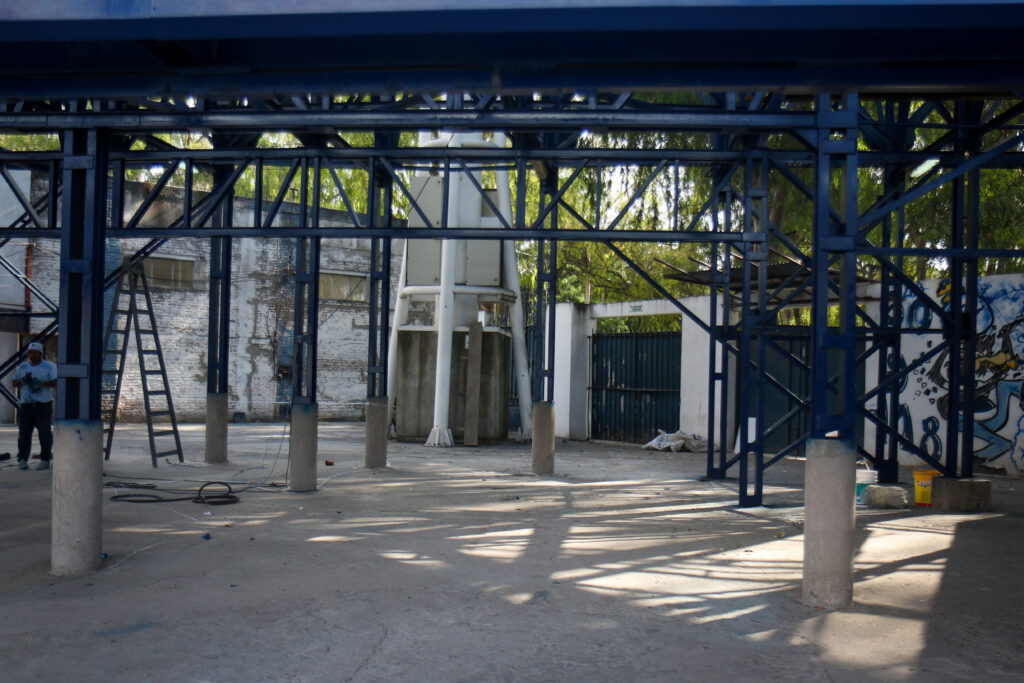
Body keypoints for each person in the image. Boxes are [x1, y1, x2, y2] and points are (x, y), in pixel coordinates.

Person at [12, 341, 57, 470]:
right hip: (26, 405)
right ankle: (22, 459)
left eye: (35, 353)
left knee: (44, 433)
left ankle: (45, 459)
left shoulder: (49, 367)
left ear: (40, 354)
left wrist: (42, 383)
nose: (32, 355)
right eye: (30, 353)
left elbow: (56, 382)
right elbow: (14, 382)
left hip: (42, 405)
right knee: (24, 434)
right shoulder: (23, 367)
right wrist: (23, 381)